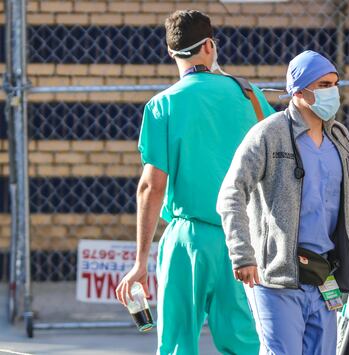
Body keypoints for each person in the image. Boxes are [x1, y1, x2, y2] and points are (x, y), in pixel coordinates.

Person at [115, 10, 274, 355]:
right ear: (210, 46)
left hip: (187, 239)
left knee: (177, 344)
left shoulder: (162, 105)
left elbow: (151, 187)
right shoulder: (249, 94)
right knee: (247, 344)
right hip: (243, 240)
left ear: (171, 53)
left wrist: (141, 261)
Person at [217, 50, 349, 355]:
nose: (333, 92)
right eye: (323, 85)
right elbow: (231, 193)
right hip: (277, 277)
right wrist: (242, 253)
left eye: (335, 83)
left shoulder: (339, 138)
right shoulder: (269, 134)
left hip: (323, 276)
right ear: (300, 91)